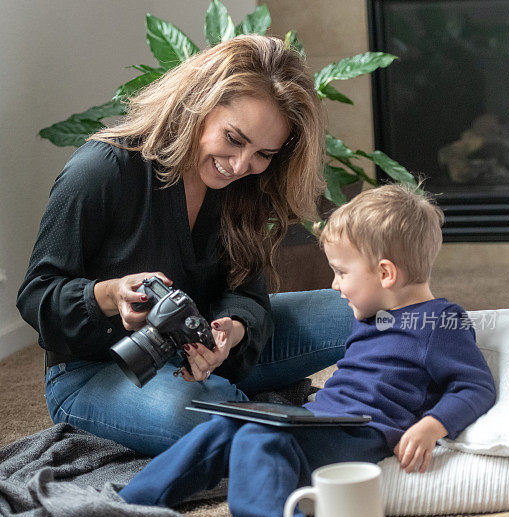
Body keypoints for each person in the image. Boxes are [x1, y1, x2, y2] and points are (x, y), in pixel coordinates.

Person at [118, 184, 497, 517]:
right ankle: (132, 502)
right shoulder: (372, 314)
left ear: (385, 273)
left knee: (258, 436)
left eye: (341, 272)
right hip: (318, 418)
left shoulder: (440, 323)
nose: (335, 284)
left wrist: (432, 426)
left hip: (359, 432)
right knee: (229, 422)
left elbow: (475, 386)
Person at [17, 35, 354, 456]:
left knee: (369, 309)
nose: (240, 165)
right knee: (205, 419)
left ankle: (456, 350)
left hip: (208, 354)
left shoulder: (245, 185)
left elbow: (247, 290)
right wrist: (108, 294)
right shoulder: (101, 170)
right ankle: (333, 428)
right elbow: (36, 295)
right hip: (97, 370)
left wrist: (234, 329)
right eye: (233, 139)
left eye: (263, 153)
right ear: (197, 105)